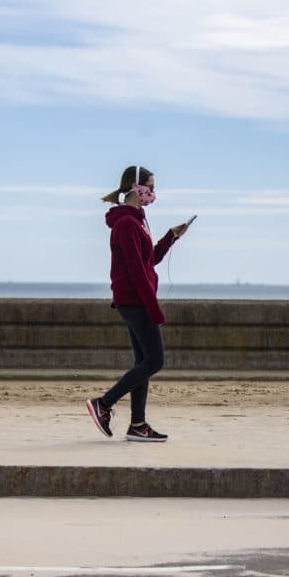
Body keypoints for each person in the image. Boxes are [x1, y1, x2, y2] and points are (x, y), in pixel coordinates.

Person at [86, 165, 191, 442]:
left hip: (132, 300)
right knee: (155, 360)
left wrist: (171, 237)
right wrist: (154, 309)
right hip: (134, 301)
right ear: (136, 187)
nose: (153, 193)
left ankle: (137, 425)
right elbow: (136, 272)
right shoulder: (126, 224)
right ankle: (104, 404)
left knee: (143, 361)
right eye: (151, 187)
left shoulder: (137, 220)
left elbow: (149, 261)